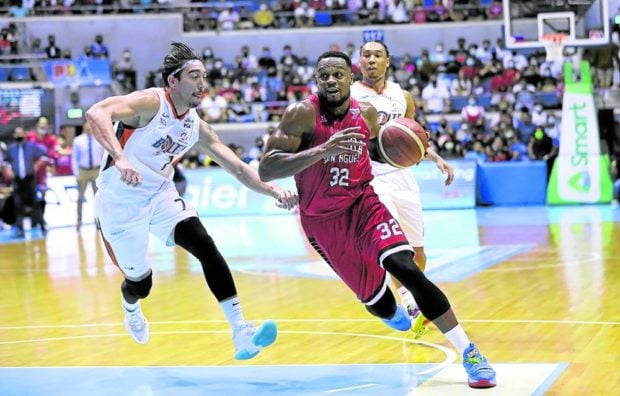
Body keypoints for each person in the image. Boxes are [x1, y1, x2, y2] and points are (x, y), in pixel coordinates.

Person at [258, 51, 496, 388]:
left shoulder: (366, 114)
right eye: (323, 75)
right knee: (379, 305)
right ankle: (393, 313)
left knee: (407, 267)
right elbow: (267, 166)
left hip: (363, 203)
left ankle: (470, 352)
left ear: (350, 79)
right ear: (316, 79)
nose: (331, 80)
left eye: (337, 74)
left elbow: (375, 149)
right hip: (323, 222)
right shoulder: (301, 114)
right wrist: (322, 151)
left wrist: (412, 152)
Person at [85, 42, 297, 360]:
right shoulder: (149, 102)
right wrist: (120, 158)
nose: (202, 83)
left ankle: (241, 331)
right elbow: (96, 112)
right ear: (173, 81)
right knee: (140, 284)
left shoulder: (195, 125)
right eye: (194, 76)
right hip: (120, 203)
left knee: (204, 244)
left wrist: (273, 190)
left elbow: (237, 167)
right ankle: (131, 308)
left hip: (160, 195)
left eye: (204, 76)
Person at [350, 41, 455, 339]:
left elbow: (412, 136)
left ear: (388, 61)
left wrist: (435, 157)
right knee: (397, 250)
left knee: (418, 252)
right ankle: (411, 305)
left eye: (377, 55)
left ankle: (414, 301)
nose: (371, 60)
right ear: (359, 62)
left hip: (403, 178)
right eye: (366, 55)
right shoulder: (350, 95)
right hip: (371, 179)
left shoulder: (402, 96)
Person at [4, 127, 47, 237]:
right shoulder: (11, 149)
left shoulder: (32, 147)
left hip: (30, 179)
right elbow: (5, 161)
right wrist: (8, 169)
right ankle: (20, 228)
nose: (19, 136)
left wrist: (37, 164)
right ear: (15, 136)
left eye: (21, 133)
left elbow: (44, 154)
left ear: (24, 135)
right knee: (18, 204)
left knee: (35, 203)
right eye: (17, 134)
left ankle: (41, 225)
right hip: (17, 180)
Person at [71, 120, 105, 231]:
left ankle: (98, 222)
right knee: (80, 198)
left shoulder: (99, 138)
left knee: (98, 198)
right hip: (83, 171)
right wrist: (76, 173)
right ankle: (78, 221)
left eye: (90, 127)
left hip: (96, 171)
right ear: (83, 128)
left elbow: (103, 156)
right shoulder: (77, 140)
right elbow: (74, 158)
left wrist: (103, 172)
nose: (88, 129)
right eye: (86, 127)